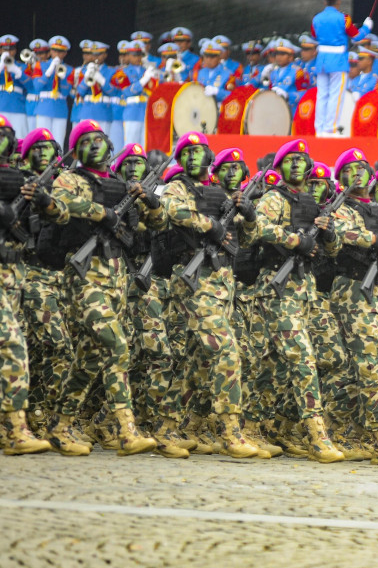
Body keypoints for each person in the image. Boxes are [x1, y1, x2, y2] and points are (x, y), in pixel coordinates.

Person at [46, 119, 165, 456]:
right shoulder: (70, 178)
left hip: (115, 276)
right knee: (117, 346)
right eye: (87, 140)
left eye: (100, 139)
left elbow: (155, 224)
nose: (95, 145)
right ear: (76, 149)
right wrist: (104, 213)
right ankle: (127, 431)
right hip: (84, 277)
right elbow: (63, 205)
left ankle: (58, 424)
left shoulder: (118, 185)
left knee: (88, 358)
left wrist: (149, 201)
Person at [159, 132, 262, 459]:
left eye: (198, 151)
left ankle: (166, 428)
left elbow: (246, 241)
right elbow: (175, 211)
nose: (192, 157)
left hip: (220, 282)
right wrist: (210, 225)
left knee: (197, 362)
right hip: (193, 278)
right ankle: (231, 432)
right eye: (185, 153)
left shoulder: (221, 193)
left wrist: (248, 213)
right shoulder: (178, 187)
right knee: (226, 352)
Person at [244, 139, 346, 463]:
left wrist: (328, 235)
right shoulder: (275, 199)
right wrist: (296, 240)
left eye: (304, 160)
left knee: (326, 356)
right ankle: (318, 436)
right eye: (292, 160)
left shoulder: (310, 202)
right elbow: (257, 228)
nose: (299, 165)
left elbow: (332, 250)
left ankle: (269, 425)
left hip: (306, 289)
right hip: (278, 287)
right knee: (302, 360)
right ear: (281, 167)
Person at [320, 147, 378, 466]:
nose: (358, 173)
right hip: (354, 290)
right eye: (350, 168)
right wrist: (375, 240)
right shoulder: (339, 205)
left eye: (362, 167)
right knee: (369, 365)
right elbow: (337, 234)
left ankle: (329, 430)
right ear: (340, 175)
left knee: (365, 366)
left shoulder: (377, 208)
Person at [0, 117, 65, 455]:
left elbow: (59, 220)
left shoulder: (23, 181)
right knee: (13, 347)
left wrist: (43, 200)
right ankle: (14, 429)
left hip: (13, 276)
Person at [311, 0, 373, 135]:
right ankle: (330, 128)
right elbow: (357, 36)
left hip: (322, 60)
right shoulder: (343, 18)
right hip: (338, 60)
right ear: (338, 1)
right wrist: (366, 27)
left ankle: (319, 129)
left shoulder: (316, 19)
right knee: (336, 95)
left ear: (325, 1)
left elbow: (314, 36)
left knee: (322, 94)